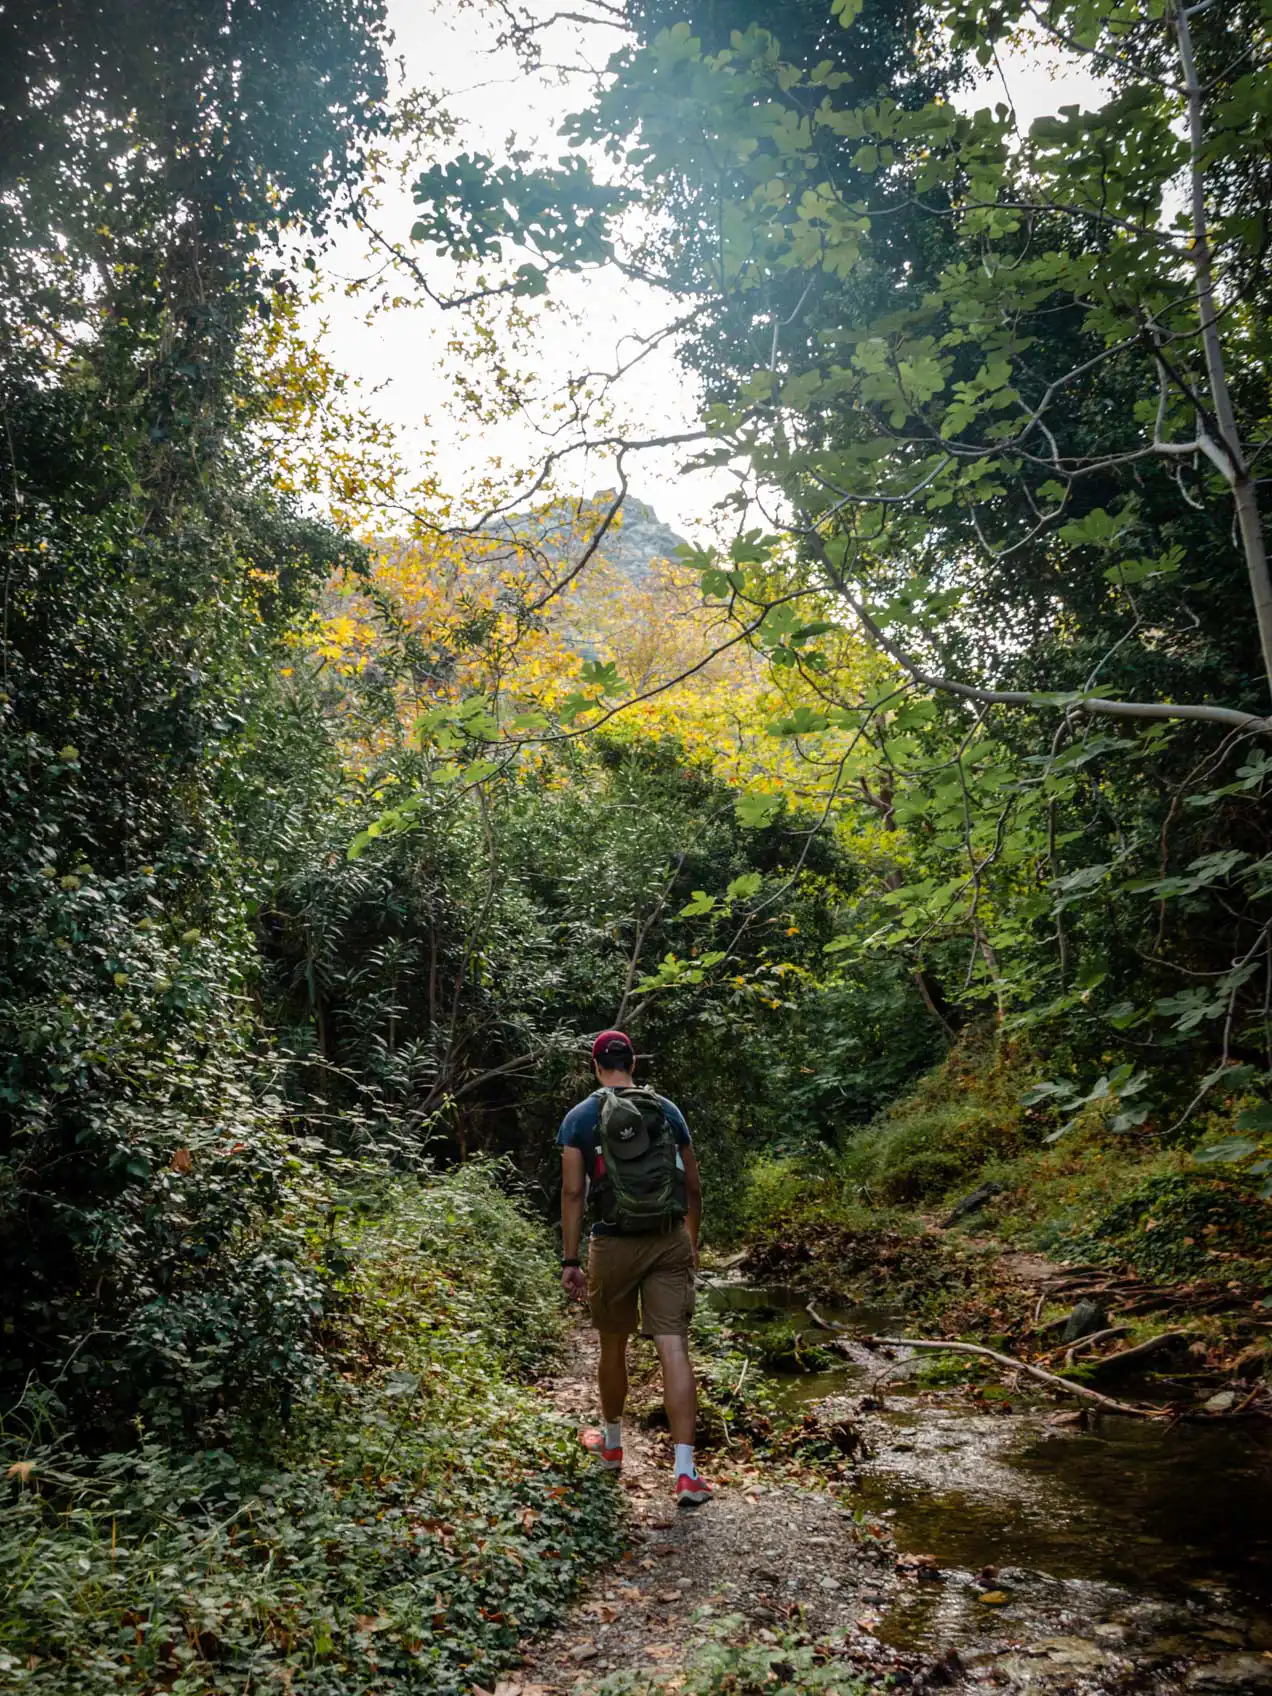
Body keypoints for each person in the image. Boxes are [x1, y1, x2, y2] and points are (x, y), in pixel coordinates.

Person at [558, 1029, 711, 1508]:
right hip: (668, 1239)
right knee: (673, 1346)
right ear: (633, 1063)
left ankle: (612, 1445)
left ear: (595, 1065)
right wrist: (691, 1241)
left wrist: (570, 1258)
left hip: (612, 1243)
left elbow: (573, 1193)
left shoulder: (580, 1118)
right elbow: (692, 1185)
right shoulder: (666, 1110)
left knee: (612, 1344)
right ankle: (685, 1473)